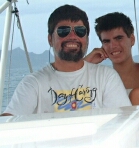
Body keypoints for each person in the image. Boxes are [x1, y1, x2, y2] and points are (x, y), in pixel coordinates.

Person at [1, 5, 131, 116]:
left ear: (87, 38)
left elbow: (123, 122)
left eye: (80, 31)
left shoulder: (107, 77)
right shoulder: (33, 84)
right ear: (50, 39)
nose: (73, 36)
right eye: (64, 31)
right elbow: (8, 122)